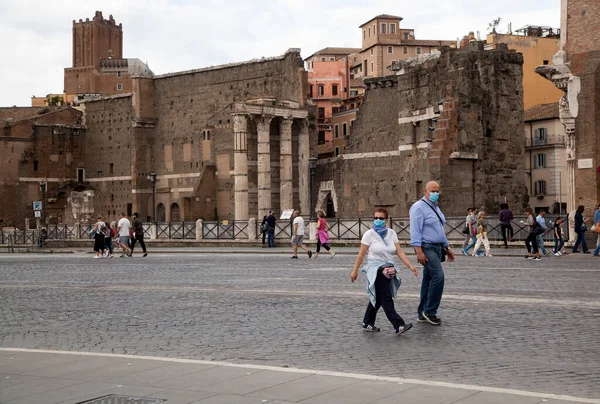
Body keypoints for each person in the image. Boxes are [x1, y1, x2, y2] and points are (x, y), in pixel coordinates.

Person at [350, 207, 418, 335]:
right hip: (376, 270)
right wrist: (355, 271)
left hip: (389, 270)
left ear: (386, 220)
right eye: (375, 218)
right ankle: (398, 325)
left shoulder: (392, 233)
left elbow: (399, 251)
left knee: (379, 297)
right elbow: (361, 254)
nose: (378, 220)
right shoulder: (369, 234)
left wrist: (410, 266)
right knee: (386, 297)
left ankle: (367, 322)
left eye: (381, 218)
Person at [409, 181, 455, 326]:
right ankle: (430, 311)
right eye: (433, 191)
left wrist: (447, 247)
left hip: (437, 247)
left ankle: (422, 312)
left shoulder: (435, 207)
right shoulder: (418, 207)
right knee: (438, 276)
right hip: (426, 247)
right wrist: (419, 252)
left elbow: (439, 229)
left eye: (437, 191)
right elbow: (415, 231)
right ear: (425, 191)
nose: (436, 193)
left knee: (428, 280)